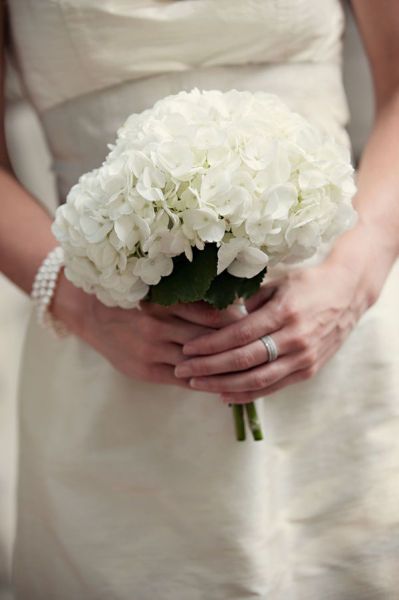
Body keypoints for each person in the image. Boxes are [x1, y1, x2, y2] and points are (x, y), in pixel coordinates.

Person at [1, 1, 399, 598]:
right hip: (114, 350)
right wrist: (77, 302)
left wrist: (358, 271)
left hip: (339, 322)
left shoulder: (347, 293)